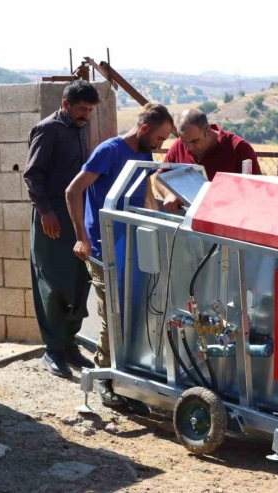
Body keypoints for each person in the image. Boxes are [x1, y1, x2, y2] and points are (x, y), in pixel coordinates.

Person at [65, 103, 173, 406]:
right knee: (113, 316)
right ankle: (104, 378)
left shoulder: (143, 153)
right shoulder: (109, 151)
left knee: (134, 313)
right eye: (160, 138)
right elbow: (73, 191)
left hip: (133, 245)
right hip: (103, 247)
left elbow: (147, 195)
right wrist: (81, 239)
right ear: (144, 129)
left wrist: (163, 222)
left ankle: (126, 380)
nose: (160, 145)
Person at [24, 80, 99, 379]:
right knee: (53, 284)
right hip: (52, 216)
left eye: (90, 110)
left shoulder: (80, 128)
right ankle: (52, 349)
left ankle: (69, 344)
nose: (86, 115)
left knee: (80, 281)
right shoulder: (48, 129)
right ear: (65, 104)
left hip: (76, 214)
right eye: (82, 109)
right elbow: (33, 174)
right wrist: (46, 212)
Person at [154, 109, 261, 212]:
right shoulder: (178, 145)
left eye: (195, 141)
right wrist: (169, 194)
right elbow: (159, 178)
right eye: (184, 142)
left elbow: (255, 191)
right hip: (187, 223)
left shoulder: (239, 148)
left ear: (208, 131)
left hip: (227, 221)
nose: (189, 148)